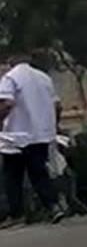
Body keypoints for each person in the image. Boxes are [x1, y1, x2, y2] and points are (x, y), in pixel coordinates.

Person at [0, 51, 67, 228]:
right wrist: (53, 125)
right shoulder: (44, 78)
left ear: (11, 62)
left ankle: (17, 214)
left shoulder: (10, 78)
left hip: (15, 136)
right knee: (39, 174)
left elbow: (7, 103)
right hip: (41, 134)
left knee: (12, 177)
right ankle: (53, 206)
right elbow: (57, 106)